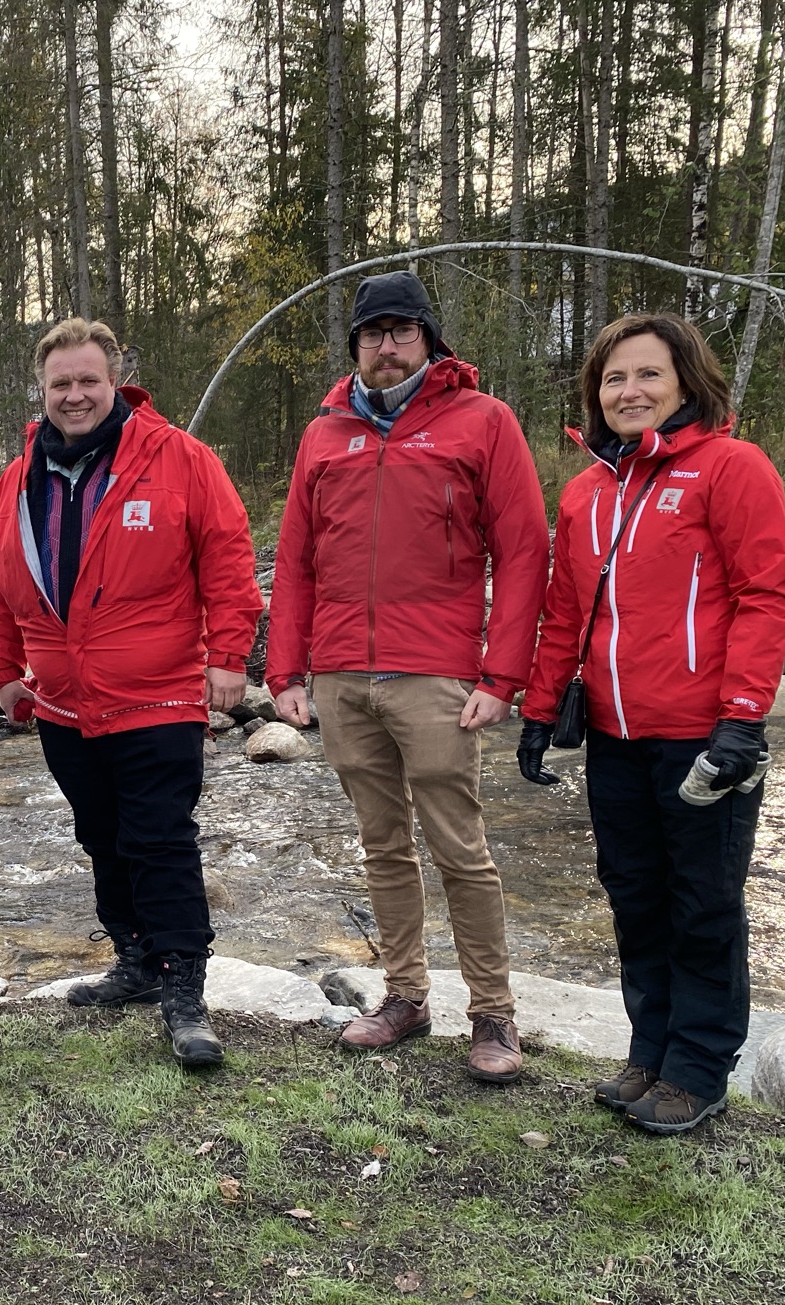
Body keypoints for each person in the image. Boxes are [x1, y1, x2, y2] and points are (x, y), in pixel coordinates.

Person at [264, 272, 549, 1084]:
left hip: (438, 673)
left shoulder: (483, 422)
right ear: (354, 344)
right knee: (383, 845)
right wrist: (285, 667)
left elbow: (524, 550)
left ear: (430, 339)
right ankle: (405, 997)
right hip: (344, 673)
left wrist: (503, 674)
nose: (386, 346)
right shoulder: (325, 433)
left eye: (401, 331)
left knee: (461, 847)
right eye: (372, 333)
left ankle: (492, 1012)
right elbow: (296, 559)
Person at [518, 312, 785, 1133]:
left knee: (703, 903)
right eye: (614, 378)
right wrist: (540, 714)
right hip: (614, 736)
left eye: (648, 374)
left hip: (704, 738)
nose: (629, 391)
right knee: (635, 896)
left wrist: (742, 721)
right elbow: (565, 612)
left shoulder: (731, 468)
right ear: (594, 395)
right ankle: (651, 1051)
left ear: (685, 383)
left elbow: (767, 595)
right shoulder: (585, 492)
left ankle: (700, 1067)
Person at [0, 318, 263, 1067]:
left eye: (87, 381)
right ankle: (134, 959)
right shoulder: (17, 480)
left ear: (115, 381)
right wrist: (3, 668)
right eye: (60, 384)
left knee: (160, 840)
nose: (75, 396)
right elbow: (0, 583)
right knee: (99, 835)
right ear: (41, 392)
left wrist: (229, 656)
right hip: (64, 701)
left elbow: (230, 560)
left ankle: (184, 988)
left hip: (158, 691)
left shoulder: (178, 460)